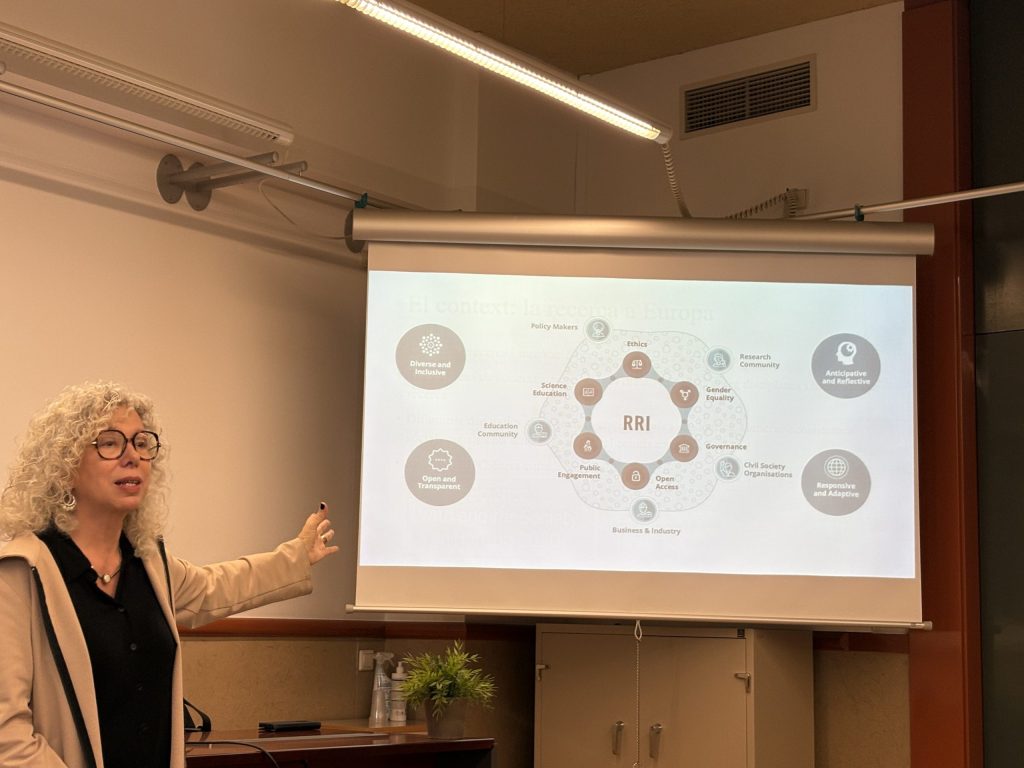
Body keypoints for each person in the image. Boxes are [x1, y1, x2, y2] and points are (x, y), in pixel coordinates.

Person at [0, 382, 340, 768]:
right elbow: (7, 736)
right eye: (110, 443)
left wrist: (297, 555)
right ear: (65, 467)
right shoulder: (20, 573)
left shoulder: (147, 562)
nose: (132, 457)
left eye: (141, 443)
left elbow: (214, 588)